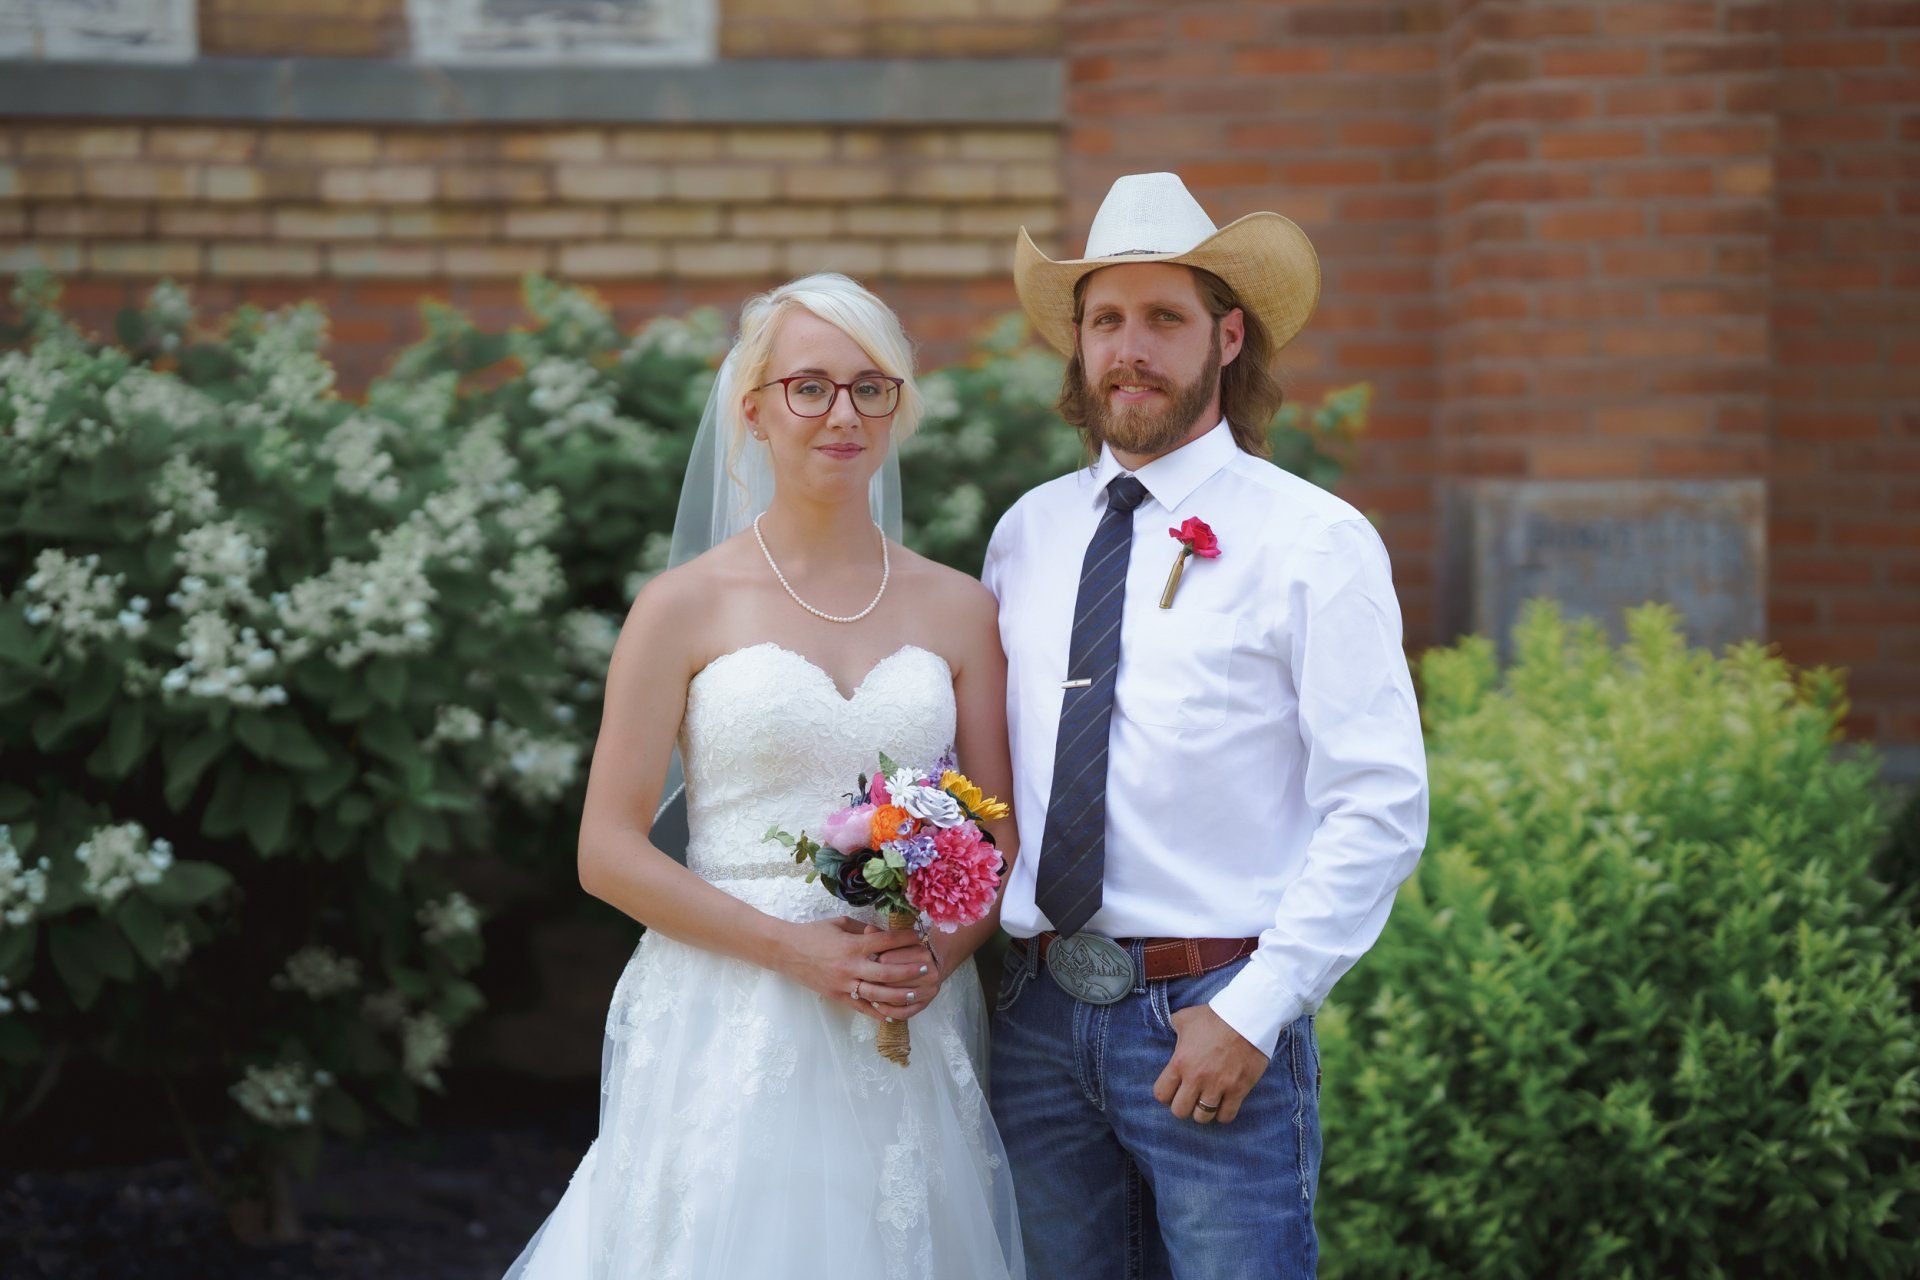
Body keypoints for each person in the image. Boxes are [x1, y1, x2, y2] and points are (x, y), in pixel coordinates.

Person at [502, 273, 1024, 1279]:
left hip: (898, 1013)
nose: (843, 412)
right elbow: (605, 851)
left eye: (872, 387)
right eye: (810, 386)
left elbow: (998, 831)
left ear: (898, 407)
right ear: (753, 409)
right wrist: (796, 952)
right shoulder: (681, 606)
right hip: (724, 1005)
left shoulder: (960, 608)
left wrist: (935, 957)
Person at [981, 171, 1430, 1278]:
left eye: (1164, 318)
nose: (1130, 349)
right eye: (1106, 320)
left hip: (1208, 1016)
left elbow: (1379, 803)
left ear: (1229, 336)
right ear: (1079, 344)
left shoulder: (1314, 541)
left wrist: (1258, 1008)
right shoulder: (1026, 535)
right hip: (1031, 1021)